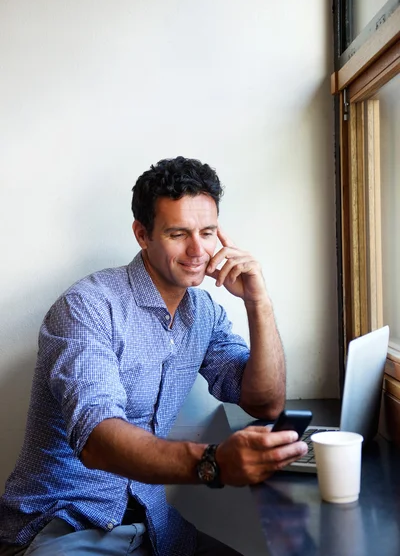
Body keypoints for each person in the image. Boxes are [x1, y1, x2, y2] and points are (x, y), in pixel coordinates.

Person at [0, 157, 307, 556]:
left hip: (155, 527)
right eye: (179, 233)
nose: (198, 250)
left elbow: (265, 401)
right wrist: (212, 462)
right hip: (65, 528)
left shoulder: (203, 313)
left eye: (208, 232)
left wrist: (258, 301)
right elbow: (98, 439)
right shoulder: (88, 307)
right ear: (142, 234)